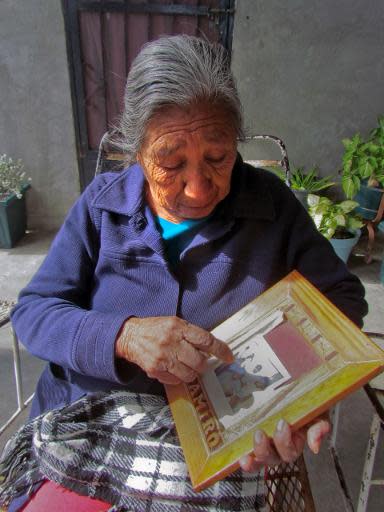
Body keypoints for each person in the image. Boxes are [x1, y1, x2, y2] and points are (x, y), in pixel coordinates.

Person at [1, 35, 367, 511]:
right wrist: (122, 336)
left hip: (221, 440)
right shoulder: (101, 206)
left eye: (217, 158)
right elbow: (34, 312)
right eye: (171, 164)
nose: (197, 190)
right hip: (93, 422)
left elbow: (341, 300)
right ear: (136, 151)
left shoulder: (271, 205)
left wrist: (305, 393)